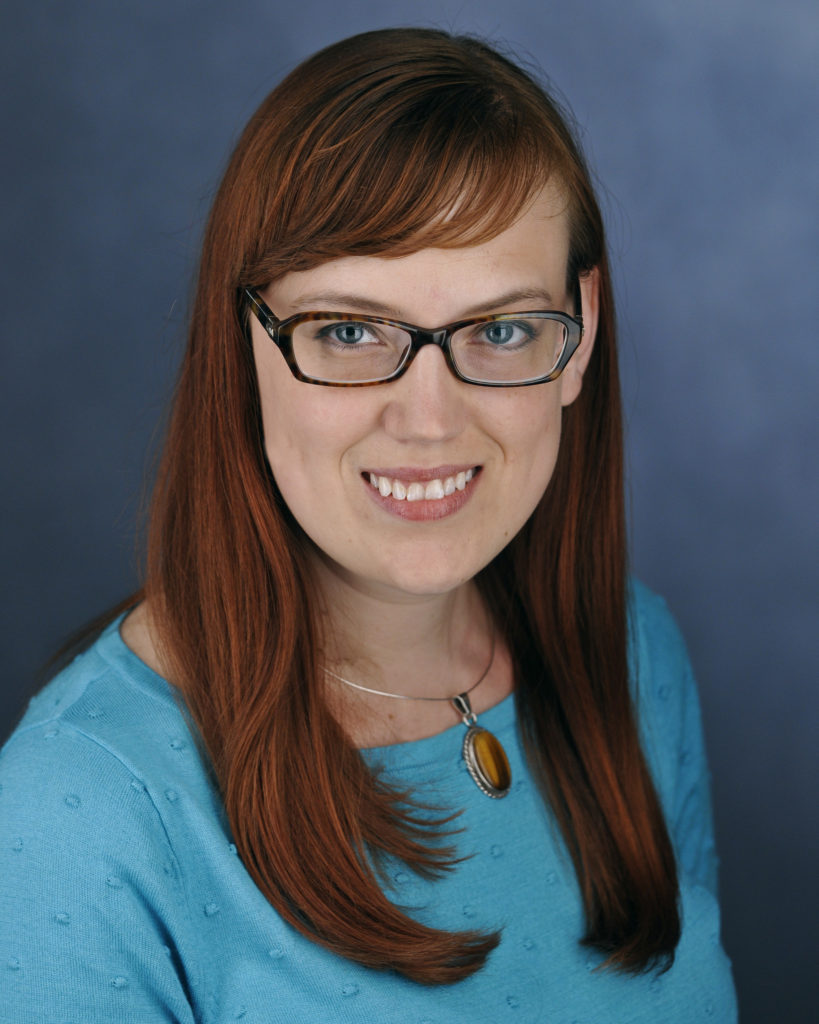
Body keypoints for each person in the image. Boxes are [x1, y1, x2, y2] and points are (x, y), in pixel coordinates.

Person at [0, 27, 737, 1022]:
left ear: (581, 334)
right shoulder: (72, 812)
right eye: (349, 331)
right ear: (241, 342)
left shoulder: (634, 649)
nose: (429, 418)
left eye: (502, 328)